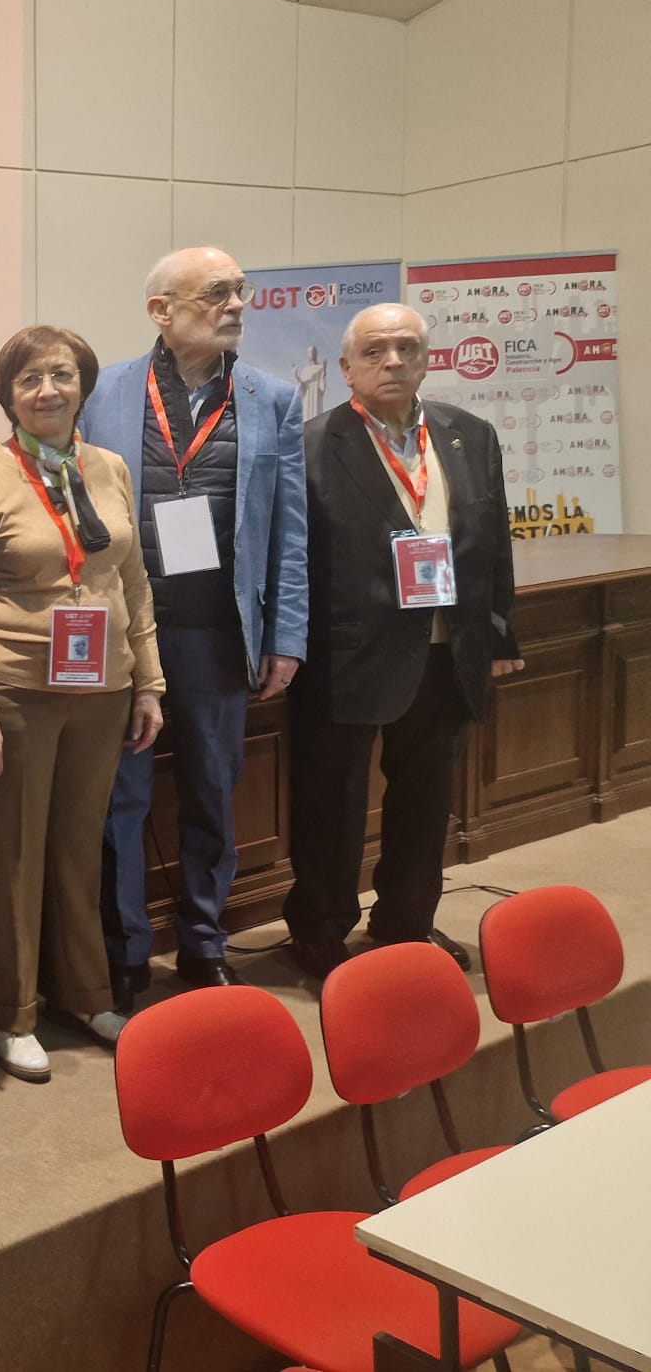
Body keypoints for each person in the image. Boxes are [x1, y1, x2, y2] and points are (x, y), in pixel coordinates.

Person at [79, 247, 308, 1006]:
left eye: (240, 290)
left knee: (213, 793)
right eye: (216, 293)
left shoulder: (272, 398)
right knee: (123, 800)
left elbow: (290, 532)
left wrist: (286, 635)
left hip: (218, 634)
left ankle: (205, 944)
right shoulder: (102, 391)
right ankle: (125, 952)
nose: (237, 303)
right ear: (162, 312)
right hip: (128, 638)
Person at [285, 304, 523, 977]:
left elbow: (493, 540)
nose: (392, 361)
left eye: (406, 348)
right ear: (347, 367)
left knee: (425, 797)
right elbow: (292, 559)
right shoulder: (308, 444)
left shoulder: (467, 435)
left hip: (448, 649)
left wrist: (500, 631)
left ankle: (406, 922)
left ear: (427, 359)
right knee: (331, 801)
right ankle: (321, 932)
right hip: (346, 652)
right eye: (375, 350)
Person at [0, 327, 165, 1081]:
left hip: (103, 688)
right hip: (18, 689)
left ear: (82, 384)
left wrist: (149, 681)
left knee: (82, 849)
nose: (47, 390)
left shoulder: (107, 468)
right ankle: (10, 1013)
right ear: (8, 394)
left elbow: (131, 582)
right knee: (14, 856)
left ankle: (85, 993)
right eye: (29, 380)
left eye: (61, 375)